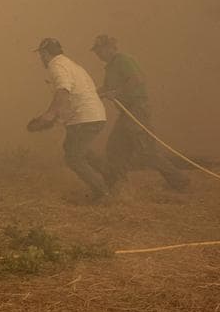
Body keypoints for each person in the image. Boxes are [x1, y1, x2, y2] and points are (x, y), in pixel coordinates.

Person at [91, 34, 188, 191]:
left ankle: (179, 181)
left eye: (99, 49)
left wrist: (117, 92)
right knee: (115, 147)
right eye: (96, 51)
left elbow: (137, 79)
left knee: (147, 151)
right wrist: (90, 94)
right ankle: (115, 185)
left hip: (137, 109)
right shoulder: (110, 67)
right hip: (127, 112)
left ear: (109, 47)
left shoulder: (123, 60)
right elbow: (106, 88)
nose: (97, 54)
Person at [26, 38, 109, 202]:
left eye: (41, 55)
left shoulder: (56, 65)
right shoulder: (71, 64)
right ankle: (112, 177)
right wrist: (56, 117)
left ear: (45, 53)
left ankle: (104, 192)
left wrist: (49, 115)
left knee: (74, 157)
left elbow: (63, 91)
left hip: (84, 118)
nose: (41, 58)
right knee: (77, 150)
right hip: (91, 116)